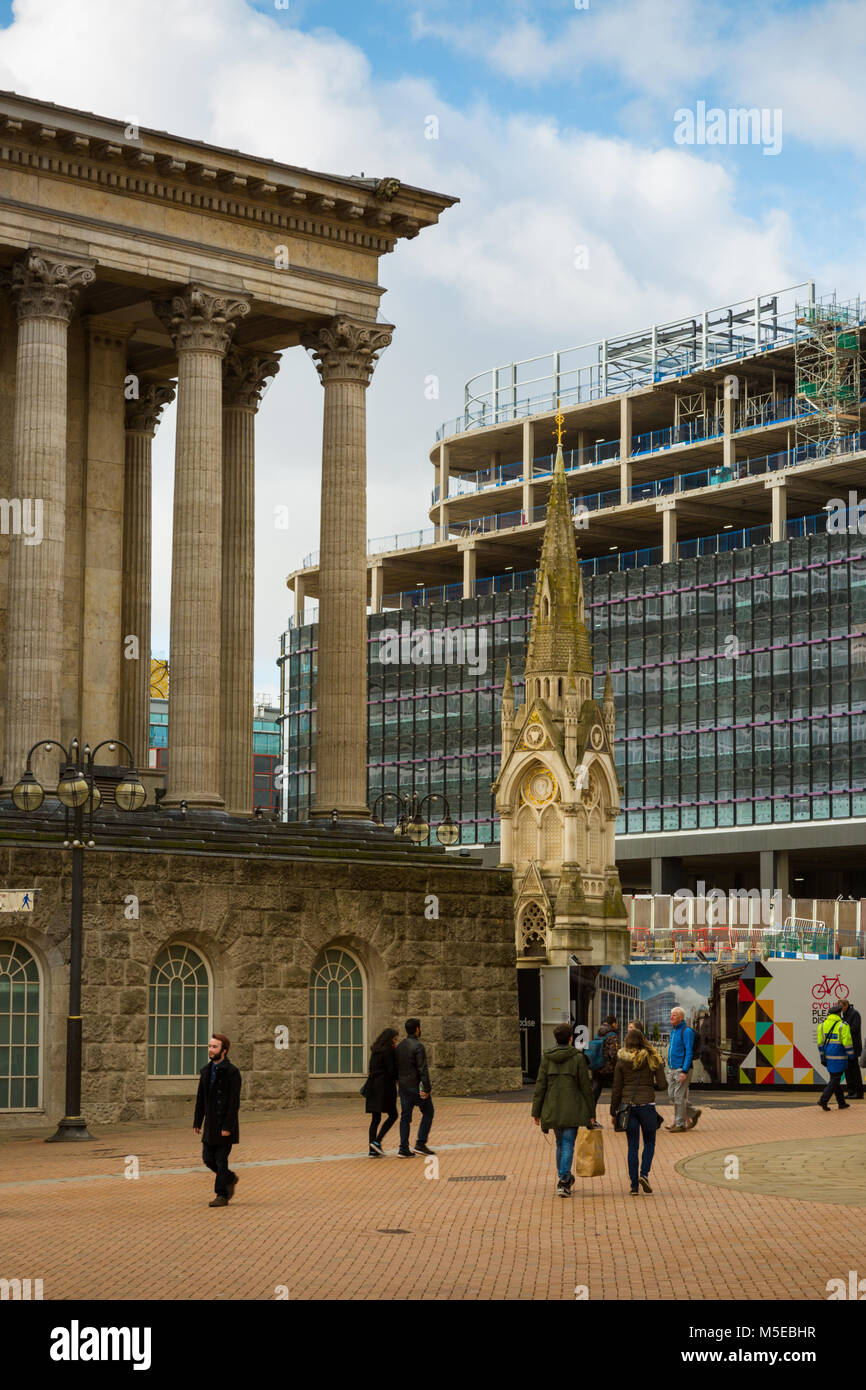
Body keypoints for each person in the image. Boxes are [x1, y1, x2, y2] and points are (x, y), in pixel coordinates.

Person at [531, 1022, 598, 1197]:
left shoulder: (547, 1057)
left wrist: (536, 1112)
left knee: (560, 1144)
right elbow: (585, 1087)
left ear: (555, 1038)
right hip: (573, 1107)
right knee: (568, 1143)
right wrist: (591, 1113)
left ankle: (564, 1177)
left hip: (552, 1107)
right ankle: (564, 1180)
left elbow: (540, 1085)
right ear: (570, 1038)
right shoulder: (577, 1057)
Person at [610, 1024, 667, 1195]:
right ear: (643, 1041)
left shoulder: (622, 1061)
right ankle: (644, 1174)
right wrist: (649, 1087)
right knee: (649, 1142)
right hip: (647, 1106)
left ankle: (634, 1186)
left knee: (632, 1146)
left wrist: (613, 1112)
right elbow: (663, 1085)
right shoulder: (653, 1058)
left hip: (628, 1107)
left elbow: (617, 1089)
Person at [193, 1033, 242, 1208]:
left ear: (224, 1051)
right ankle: (229, 1177)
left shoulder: (232, 1072)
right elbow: (201, 1099)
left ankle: (221, 1194)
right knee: (208, 1158)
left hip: (225, 1125)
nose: (211, 1049)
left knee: (221, 1160)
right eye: (210, 1046)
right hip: (210, 1125)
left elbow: (233, 1102)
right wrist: (197, 1121)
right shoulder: (206, 1071)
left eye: (215, 1047)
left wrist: (228, 1126)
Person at [396, 1018, 435, 1157]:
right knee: (428, 1111)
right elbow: (422, 1069)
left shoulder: (400, 1046)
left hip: (403, 1086)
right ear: (417, 1029)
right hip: (416, 1086)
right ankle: (420, 1143)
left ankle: (403, 1148)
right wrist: (426, 1088)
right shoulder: (418, 1046)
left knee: (405, 1117)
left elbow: (397, 1068)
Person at [666, 1006, 701, 1132]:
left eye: (674, 1015)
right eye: (671, 1014)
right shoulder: (674, 1031)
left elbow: (689, 1052)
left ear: (681, 1018)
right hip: (672, 1069)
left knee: (679, 1097)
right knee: (672, 1096)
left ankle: (680, 1124)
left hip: (681, 1069)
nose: (671, 1017)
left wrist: (685, 1070)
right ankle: (693, 1112)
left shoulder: (686, 1031)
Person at [365, 1027, 399, 1155]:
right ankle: (377, 1142)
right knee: (393, 1115)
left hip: (373, 1085)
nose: (396, 1041)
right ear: (390, 1038)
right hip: (385, 1087)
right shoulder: (389, 1050)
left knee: (375, 1118)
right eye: (395, 1038)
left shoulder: (375, 1049)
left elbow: (371, 1068)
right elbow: (391, 1071)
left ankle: (372, 1150)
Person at [817, 1003, 854, 1111]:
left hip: (828, 1057)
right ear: (839, 1013)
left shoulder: (822, 1025)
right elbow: (847, 1043)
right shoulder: (843, 1025)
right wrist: (851, 1055)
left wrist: (822, 1057)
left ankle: (841, 1103)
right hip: (840, 1057)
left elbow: (820, 1044)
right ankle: (823, 1100)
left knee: (835, 1079)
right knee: (835, 1079)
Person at [837, 999, 863, 1099]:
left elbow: (855, 1028)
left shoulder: (854, 1013)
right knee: (847, 1070)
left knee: (855, 1070)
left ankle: (859, 1093)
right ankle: (851, 1092)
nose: (840, 1009)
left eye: (841, 1007)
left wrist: (843, 1033)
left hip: (854, 1047)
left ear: (846, 1005)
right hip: (846, 1046)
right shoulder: (845, 1015)